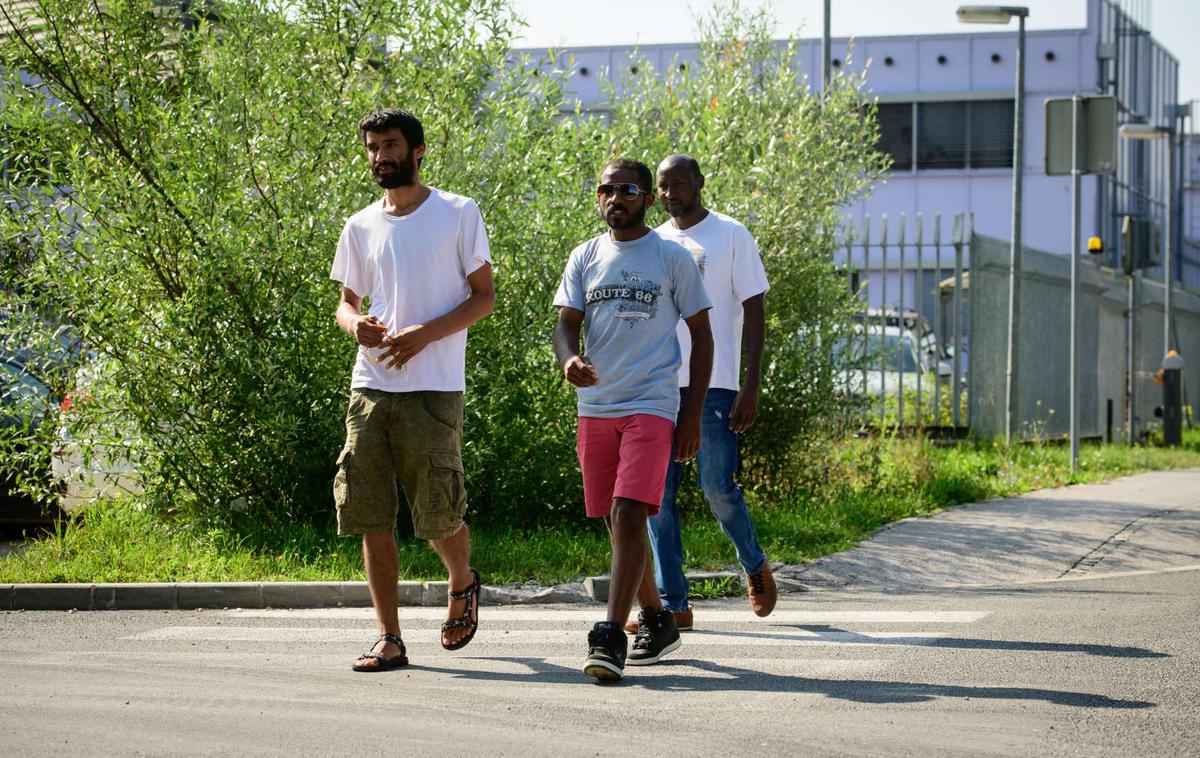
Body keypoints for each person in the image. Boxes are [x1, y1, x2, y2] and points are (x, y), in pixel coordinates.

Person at [330, 108, 495, 672]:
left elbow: (483, 298)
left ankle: (462, 578)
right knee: (369, 512)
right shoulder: (360, 225)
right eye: (373, 148)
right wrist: (358, 326)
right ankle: (389, 637)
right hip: (370, 386)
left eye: (391, 145)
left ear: (418, 150)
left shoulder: (457, 213)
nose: (380, 157)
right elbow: (345, 305)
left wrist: (425, 335)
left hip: (434, 387)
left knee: (437, 516)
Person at [553, 157, 713, 682]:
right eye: (605, 190)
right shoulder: (585, 256)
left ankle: (609, 637)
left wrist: (690, 414)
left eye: (626, 189)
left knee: (628, 513)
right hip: (596, 406)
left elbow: (702, 337)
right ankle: (659, 617)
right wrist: (568, 360)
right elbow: (566, 325)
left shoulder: (673, 257)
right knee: (615, 521)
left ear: (646, 196)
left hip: (652, 402)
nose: (614, 198)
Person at [629, 153, 775, 634]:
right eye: (664, 186)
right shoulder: (651, 242)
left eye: (680, 184)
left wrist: (751, 384)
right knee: (657, 498)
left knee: (717, 488)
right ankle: (674, 604)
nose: (672, 193)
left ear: (699, 183)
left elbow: (754, 312)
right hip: (657, 386)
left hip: (715, 384)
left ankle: (753, 564)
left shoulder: (731, 235)